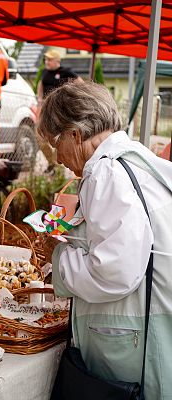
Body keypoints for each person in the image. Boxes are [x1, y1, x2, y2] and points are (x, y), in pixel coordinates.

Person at [38, 81, 172, 398]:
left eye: (55, 143)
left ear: (75, 133)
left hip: (130, 339)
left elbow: (114, 271)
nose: (57, 158)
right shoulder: (140, 160)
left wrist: (58, 257)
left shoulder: (106, 171)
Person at [36, 49, 83, 172]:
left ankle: (59, 164)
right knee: (39, 136)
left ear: (57, 61)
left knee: (58, 139)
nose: (47, 62)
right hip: (46, 110)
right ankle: (52, 163)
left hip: (59, 111)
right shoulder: (45, 72)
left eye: (49, 60)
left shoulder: (66, 72)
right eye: (46, 59)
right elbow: (40, 85)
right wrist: (39, 100)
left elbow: (81, 83)